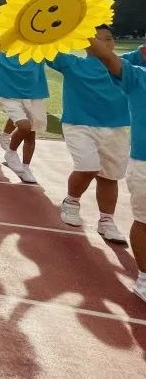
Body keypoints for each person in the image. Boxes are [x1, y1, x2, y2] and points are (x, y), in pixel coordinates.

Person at [47, 26, 130, 243]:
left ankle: (106, 221)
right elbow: (45, 49)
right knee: (88, 166)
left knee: (110, 176)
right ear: (86, 43)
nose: (104, 43)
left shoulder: (124, 66)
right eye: (97, 39)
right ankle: (71, 202)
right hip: (79, 124)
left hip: (116, 128)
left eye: (109, 38)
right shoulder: (73, 64)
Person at [87, 36, 146, 302]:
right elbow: (107, 57)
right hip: (144, 164)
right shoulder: (137, 78)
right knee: (145, 222)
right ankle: (144, 278)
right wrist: (78, 21)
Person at [0, 55, 48, 183]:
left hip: (34, 94)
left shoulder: (39, 50)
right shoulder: (1, 51)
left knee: (31, 134)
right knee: (24, 126)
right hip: (9, 94)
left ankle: (25, 167)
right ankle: (11, 152)